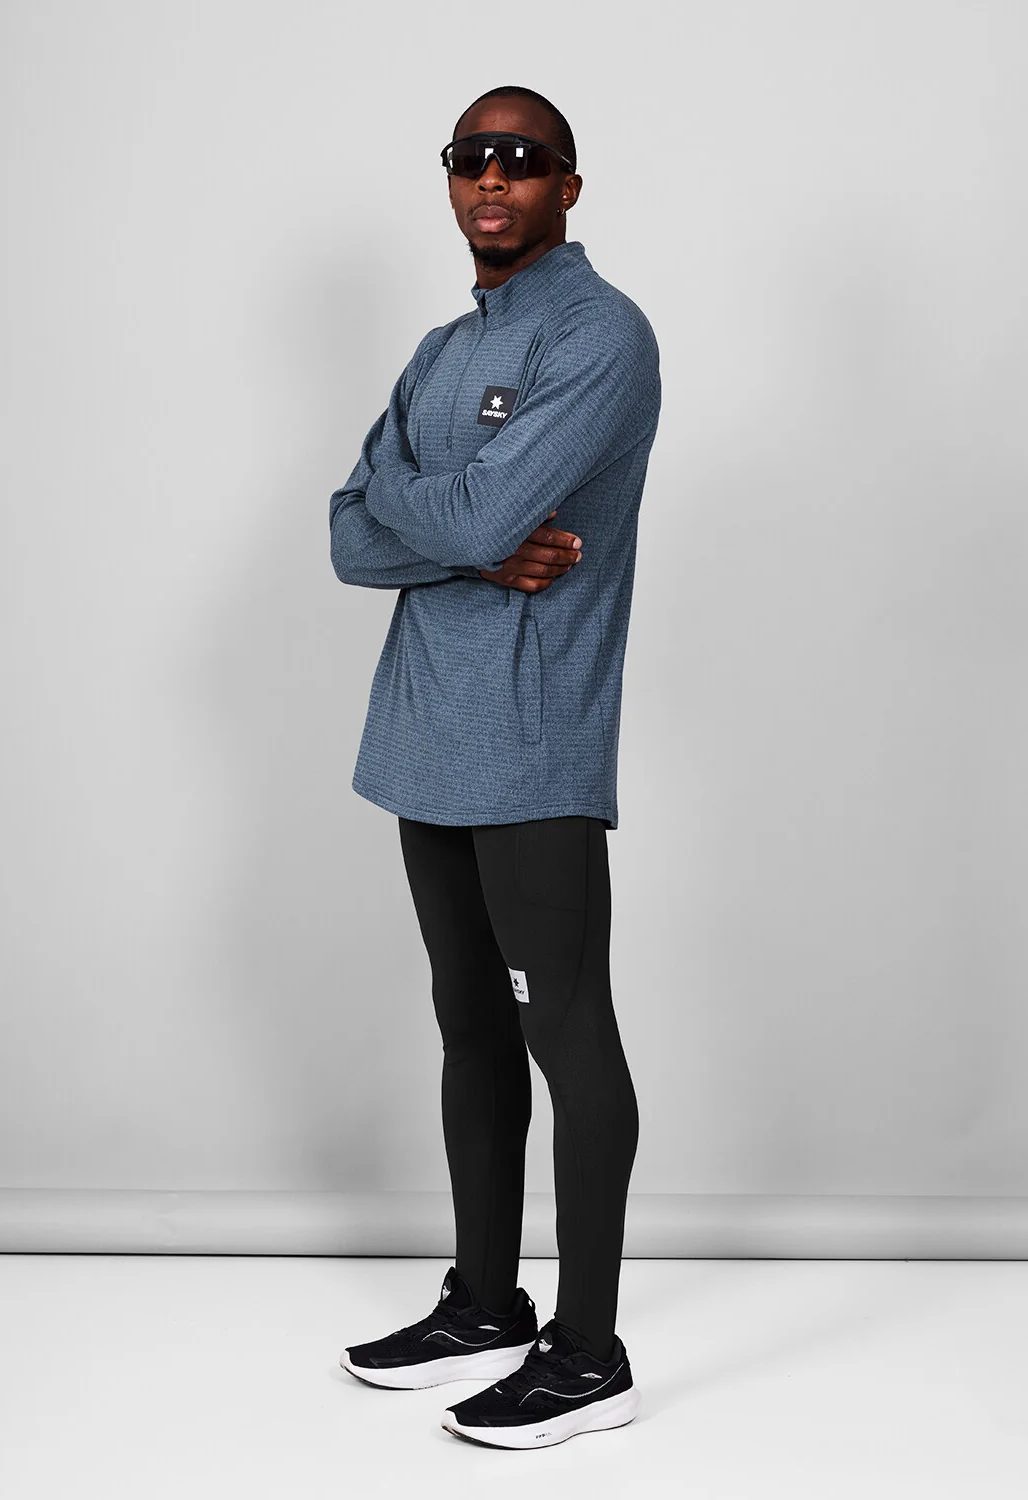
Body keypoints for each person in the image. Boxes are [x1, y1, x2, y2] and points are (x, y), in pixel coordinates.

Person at [327, 83, 662, 1450]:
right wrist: (463, 532)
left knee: (564, 1028)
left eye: (521, 159)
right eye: (470, 157)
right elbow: (348, 533)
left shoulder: (602, 335)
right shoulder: (438, 349)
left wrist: (440, 517)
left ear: (567, 185)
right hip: (423, 732)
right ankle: (484, 1302)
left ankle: (588, 1353)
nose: (491, 178)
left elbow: (438, 512)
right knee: (469, 1025)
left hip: (529, 739)